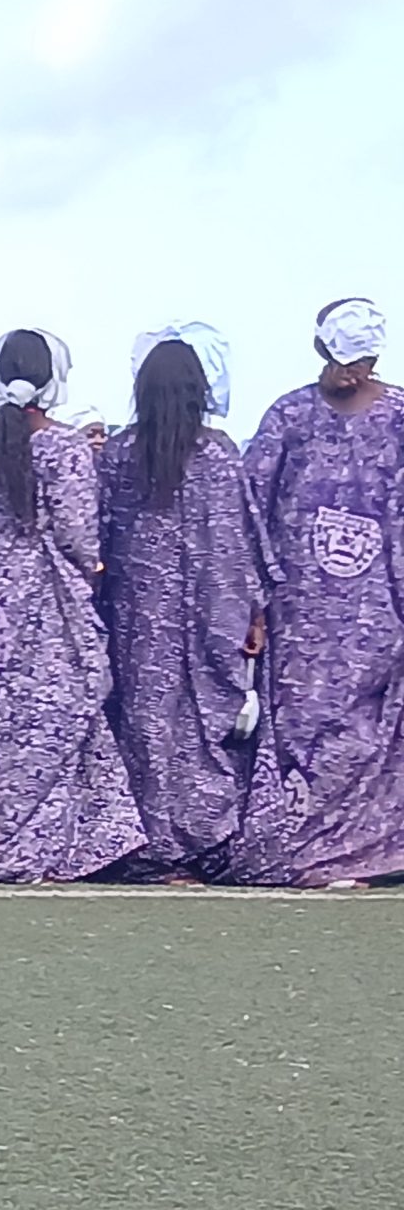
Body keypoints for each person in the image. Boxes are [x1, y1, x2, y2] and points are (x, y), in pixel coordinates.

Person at [0, 329, 143, 881]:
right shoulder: (65, 447)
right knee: (53, 717)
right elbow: (78, 536)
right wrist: (92, 568)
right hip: (46, 604)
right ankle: (47, 845)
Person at [228, 297, 404, 886]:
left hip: (376, 610)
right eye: (344, 359)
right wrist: (254, 603)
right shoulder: (290, 416)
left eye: (361, 361)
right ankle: (296, 847)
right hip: (299, 610)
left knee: (364, 731)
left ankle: (368, 850)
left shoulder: (398, 417)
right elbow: (250, 509)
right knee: (301, 729)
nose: (352, 373)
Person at [97, 323, 267, 882]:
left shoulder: (119, 454)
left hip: (138, 621)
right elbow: (241, 543)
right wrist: (255, 615)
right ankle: (208, 842)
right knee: (206, 730)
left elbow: (100, 539)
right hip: (213, 615)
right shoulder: (218, 454)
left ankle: (152, 843)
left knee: (146, 729)